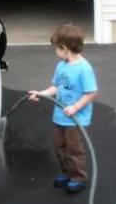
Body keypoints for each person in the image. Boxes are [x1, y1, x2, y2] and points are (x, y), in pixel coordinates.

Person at [28, 24, 98, 193]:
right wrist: (41, 93)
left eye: (56, 49)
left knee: (74, 149)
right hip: (60, 116)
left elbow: (91, 93)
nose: (55, 52)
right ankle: (67, 172)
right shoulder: (62, 66)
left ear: (65, 48)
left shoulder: (84, 69)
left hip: (75, 119)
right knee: (59, 146)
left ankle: (78, 177)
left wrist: (75, 107)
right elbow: (56, 88)